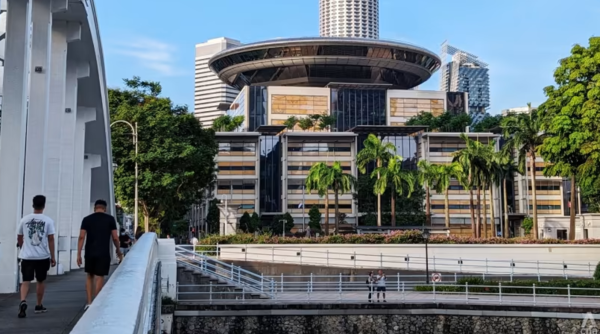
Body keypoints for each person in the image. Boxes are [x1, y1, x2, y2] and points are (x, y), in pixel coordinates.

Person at [77, 199, 121, 310]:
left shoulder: (86, 219)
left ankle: (89, 302)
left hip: (89, 252)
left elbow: (81, 237)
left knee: (89, 276)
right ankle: (96, 304)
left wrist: (78, 254)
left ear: (94, 208)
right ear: (105, 209)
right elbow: (115, 237)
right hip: (103, 252)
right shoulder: (110, 219)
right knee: (99, 277)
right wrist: (118, 250)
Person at [16, 195, 56, 318]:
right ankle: (38, 305)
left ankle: (23, 301)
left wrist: (23, 247)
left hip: (27, 256)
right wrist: (52, 257)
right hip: (42, 256)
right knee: (40, 281)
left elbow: (19, 236)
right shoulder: (48, 221)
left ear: (33, 205)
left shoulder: (24, 220)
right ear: (44, 206)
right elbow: (50, 239)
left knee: (26, 281)